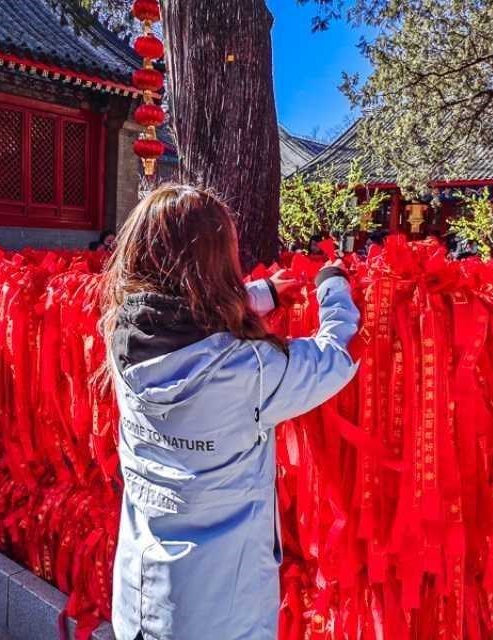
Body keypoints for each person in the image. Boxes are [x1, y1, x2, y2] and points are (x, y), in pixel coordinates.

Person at [99, 184, 360, 640]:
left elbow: (186, 311)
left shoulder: (121, 334)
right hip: (220, 612)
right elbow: (336, 356)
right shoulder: (246, 370)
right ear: (216, 262)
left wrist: (262, 294)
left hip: (141, 597)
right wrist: (333, 285)